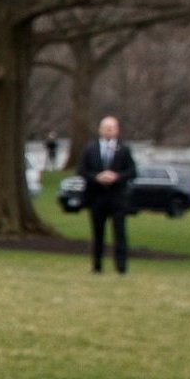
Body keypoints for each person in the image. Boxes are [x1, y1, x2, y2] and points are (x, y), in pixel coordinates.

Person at [79, 114, 138, 274]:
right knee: (98, 234)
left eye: (111, 128)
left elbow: (132, 171)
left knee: (120, 233)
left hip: (117, 198)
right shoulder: (90, 149)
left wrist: (116, 177)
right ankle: (97, 266)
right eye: (106, 128)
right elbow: (82, 170)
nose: (108, 131)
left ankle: (121, 267)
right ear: (100, 130)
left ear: (117, 131)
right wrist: (97, 177)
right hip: (97, 197)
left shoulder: (124, 150)